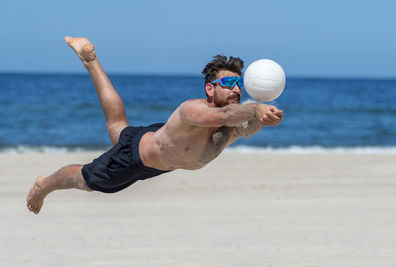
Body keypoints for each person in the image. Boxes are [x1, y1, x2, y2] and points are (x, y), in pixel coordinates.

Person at [26, 37, 284, 214]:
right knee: (86, 180)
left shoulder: (231, 124)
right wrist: (256, 108)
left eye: (239, 85)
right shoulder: (192, 110)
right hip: (135, 159)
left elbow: (243, 125)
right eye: (228, 84)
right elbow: (226, 115)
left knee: (118, 126)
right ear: (209, 88)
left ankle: (90, 60)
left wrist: (266, 114)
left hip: (159, 153)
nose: (236, 90)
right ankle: (43, 185)